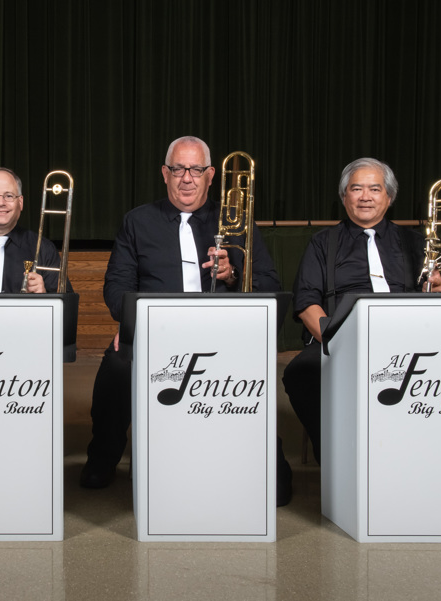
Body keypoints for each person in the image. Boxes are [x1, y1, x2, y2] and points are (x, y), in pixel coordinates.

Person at [80, 136, 291, 505]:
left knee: (251, 371)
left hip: (222, 334)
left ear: (211, 175)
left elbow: (270, 285)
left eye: (196, 170)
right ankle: (103, 455)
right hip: (155, 332)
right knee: (117, 363)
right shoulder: (138, 221)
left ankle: (270, 463)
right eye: (178, 169)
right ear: (165, 174)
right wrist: (129, 323)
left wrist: (231, 274)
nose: (187, 178)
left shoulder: (238, 223)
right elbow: (116, 284)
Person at [283, 157, 441, 465]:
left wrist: (437, 289)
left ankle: (423, 458)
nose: (365, 196)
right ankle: (337, 460)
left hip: (406, 339)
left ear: (389, 197)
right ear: (345, 197)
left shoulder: (415, 243)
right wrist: (337, 341)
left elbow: (432, 298)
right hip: (339, 338)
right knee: (301, 373)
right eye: (356, 189)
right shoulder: (322, 243)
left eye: (374, 188)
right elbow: (306, 302)